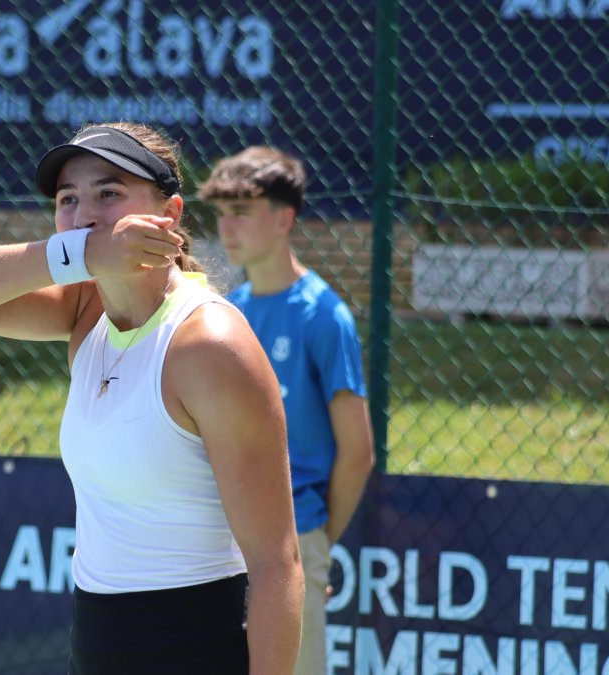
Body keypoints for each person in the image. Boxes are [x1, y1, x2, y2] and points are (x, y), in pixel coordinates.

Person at [0, 123, 303, 674]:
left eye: (109, 193)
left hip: (198, 647)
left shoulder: (209, 344)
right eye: (68, 200)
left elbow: (276, 563)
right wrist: (82, 253)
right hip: (97, 643)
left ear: (170, 213)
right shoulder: (84, 311)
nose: (86, 214)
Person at [198, 146, 375, 675]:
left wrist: (313, 543)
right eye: (222, 213)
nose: (227, 227)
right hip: (222, 535)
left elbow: (358, 453)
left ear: (284, 218)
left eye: (243, 212)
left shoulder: (325, 316)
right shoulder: (229, 313)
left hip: (294, 537)